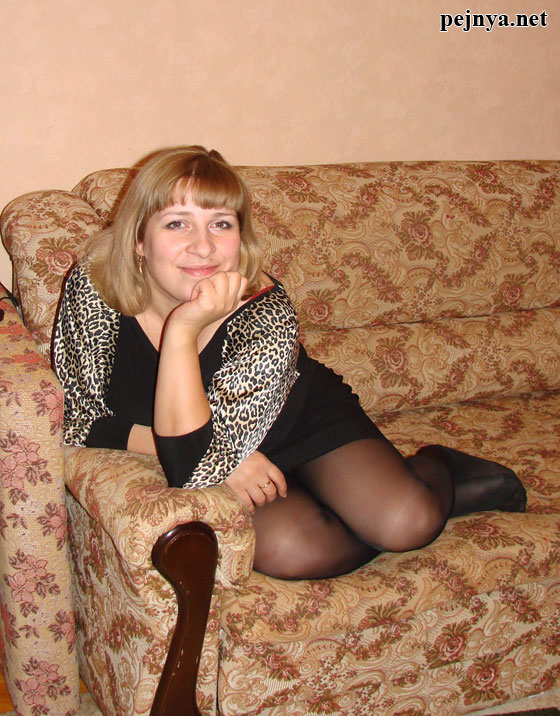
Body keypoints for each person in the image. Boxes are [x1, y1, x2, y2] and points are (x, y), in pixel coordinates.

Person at [52, 145, 527, 580]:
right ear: (138, 239)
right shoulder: (94, 291)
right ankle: (349, 504)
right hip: (226, 448)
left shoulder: (266, 309)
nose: (203, 246)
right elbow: (77, 419)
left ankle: (438, 466)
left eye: (221, 224)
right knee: (294, 551)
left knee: (407, 522)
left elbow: (195, 458)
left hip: (295, 420)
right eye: (177, 223)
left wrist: (182, 328)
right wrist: (229, 459)